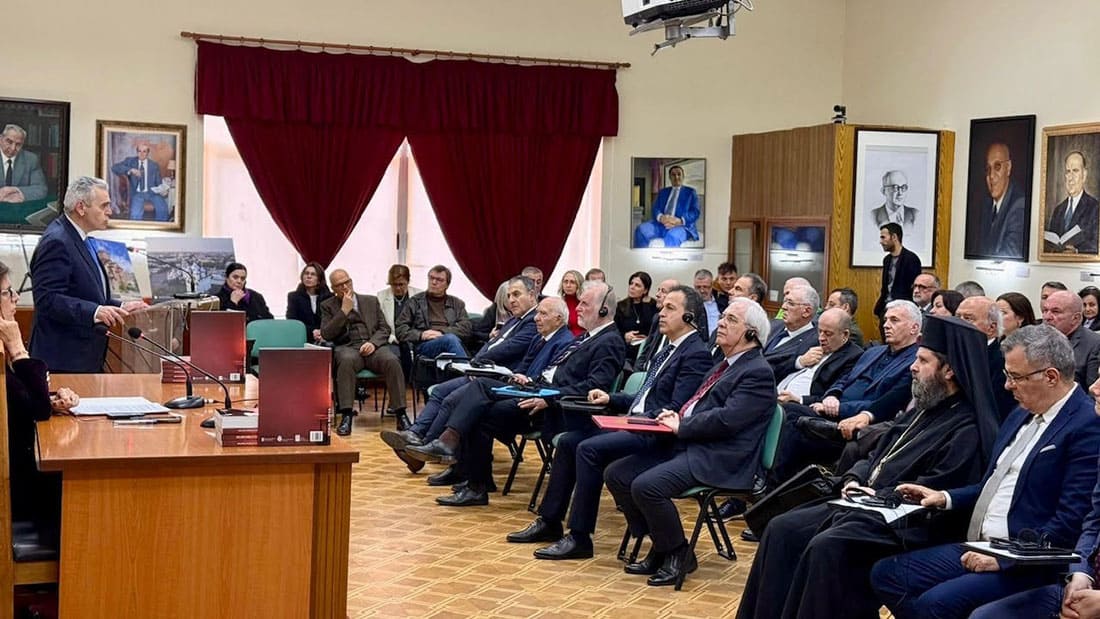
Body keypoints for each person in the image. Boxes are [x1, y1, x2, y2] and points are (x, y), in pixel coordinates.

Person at [737, 316, 1000, 619]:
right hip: (868, 503)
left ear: (950, 370)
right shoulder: (922, 411)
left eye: (923, 360)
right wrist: (854, 478)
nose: (913, 367)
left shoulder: (967, 428)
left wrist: (877, 494)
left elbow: (930, 491)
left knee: (828, 546)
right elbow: (874, 455)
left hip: (909, 522)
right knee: (781, 528)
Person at [871, 325, 1100, 619]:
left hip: (1028, 559)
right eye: (1007, 375)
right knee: (888, 574)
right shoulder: (1021, 412)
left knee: (935, 603)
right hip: (981, 542)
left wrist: (1006, 560)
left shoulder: (1085, 424)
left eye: (1015, 377)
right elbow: (995, 483)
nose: (1007, 386)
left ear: (1051, 377)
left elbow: (1072, 519)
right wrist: (945, 497)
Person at [508, 286, 714, 560]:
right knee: (570, 441)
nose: (660, 312)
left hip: (655, 433)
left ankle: (581, 537)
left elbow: (675, 408)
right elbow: (646, 396)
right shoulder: (671, 347)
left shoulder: (695, 353)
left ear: (689, 317)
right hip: (636, 421)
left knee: (588, 449)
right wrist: (612, 398)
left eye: (669, 309)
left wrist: (632, 419)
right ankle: (550, 521)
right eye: (662, 307)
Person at [604, 297, 776, 587]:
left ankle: (677, 552)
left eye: (731, 320)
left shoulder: (757, 372)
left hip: (721, 457)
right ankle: (661, 543)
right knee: (617, 474)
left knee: (647, 487)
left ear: (751, 334)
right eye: (723, 317)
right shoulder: (724, 363)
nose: (720, 323)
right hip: (692, 444)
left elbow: (727, 420)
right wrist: (678, 413)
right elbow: (700, 404)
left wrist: (682, 424)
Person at [410, 281, 626, 506]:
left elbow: (592, 389)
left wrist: (548, 397)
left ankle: (463, 464)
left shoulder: (609, 341)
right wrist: (530, 381)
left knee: (478, 406)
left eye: (584, 303)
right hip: (537, 390)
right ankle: (466, 470)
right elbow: (555, 372)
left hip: (553, 408)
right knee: (479, 393)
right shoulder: (587, 336)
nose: (578, 308)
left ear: (603, 309)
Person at [379, 276, 540, 471]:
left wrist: (477, 364)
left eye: (516, 294)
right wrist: (475, 364)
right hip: (483, 372)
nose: (511, 300)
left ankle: (420, 449)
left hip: (499, 378)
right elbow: (491, 345)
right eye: (509, 296)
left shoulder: (533, 321)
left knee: (452, 399)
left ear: (532, 295)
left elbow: (509, 349)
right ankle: (415, 435)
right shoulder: (515, 320)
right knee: (439, 391)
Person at [772, 300, 920, 482]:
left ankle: (772, 486)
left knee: (791, 416)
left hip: (854, 423)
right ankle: (771, 484)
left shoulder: (915, 362)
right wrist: (833, 394)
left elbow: (885, 402)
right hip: (831, 412)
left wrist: (840, 407)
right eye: (886, 319)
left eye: (894, 320)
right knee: (785, 411)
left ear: (914, 328)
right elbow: (844, 378)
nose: (886, 325)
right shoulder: (874, 351)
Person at [29, 176, 145, 373]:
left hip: (84, 358)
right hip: (63, 361)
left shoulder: (82, 239)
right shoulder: (57, 241)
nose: (110, 211)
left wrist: (120, 307)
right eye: (104, 206)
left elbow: (87, 294)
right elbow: (47, 299)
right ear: (81, 207)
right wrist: (94, 312)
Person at [1, 260, 79, 546]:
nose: (15, 298)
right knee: (78, 483)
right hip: (14, 488)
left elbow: (22, 400)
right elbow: (35, 411)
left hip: (15, 471)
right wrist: (19, 349)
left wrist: (51, 398)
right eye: (8, 292)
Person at [321, 269, 407, 436]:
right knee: (345, 362)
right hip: (349, 348)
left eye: (347, 282)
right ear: (333, 289)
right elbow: (326, 334)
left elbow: (385, 329)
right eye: (339, 285)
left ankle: (401, 414)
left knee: (392, 360)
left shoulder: (370, 301)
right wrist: (344, 311)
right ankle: (346, 415)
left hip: (372, 346)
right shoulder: (328, 306)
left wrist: (373, 343)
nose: (345, 287)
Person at [955, 296, 1016, 421]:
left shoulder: (1003, 361)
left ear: (991, 328)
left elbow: (994, 409)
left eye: (968, 318)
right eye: (957, 317)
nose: (958, 323)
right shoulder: (950, 353)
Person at [395, 265, 471, 359]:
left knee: (450, 339)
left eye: (439, 280)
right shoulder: (415, 302)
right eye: (431, 278)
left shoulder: (457, 304)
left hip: (450, 340)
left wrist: (442, 333)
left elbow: (466, 328)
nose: (434, 282)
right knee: (450, 340)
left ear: (447, 285)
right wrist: (421, 335)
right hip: (425, 345)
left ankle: (462, 372)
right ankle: (467, 372)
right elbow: (400, 329)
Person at [973, 143, 1026, 258]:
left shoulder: (1019, 205)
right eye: (988, 169)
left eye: (997, 166)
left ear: (1008, 168)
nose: (991, 175)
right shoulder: (986, 205)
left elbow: (1010, 254)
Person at [1042, 290, 1100, 389]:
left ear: (1076, 318)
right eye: (1045, 310)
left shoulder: (1094, 344)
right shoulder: (1036, 338)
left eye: (1055, 311)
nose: (1047, 317)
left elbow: (1093, 393)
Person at [633, 165, 701, 248]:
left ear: (683, 176)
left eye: (679, 174)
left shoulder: (690, 192)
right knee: (641, 230)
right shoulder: (663, 192)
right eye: (673, 175)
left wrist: (680, 220)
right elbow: (655, 208)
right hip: (661, 224)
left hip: (680, 226)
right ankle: (641, 258)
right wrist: (661, 217)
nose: (676, 177)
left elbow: (695, 212)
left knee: (672, 237)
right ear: (670, 177)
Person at [873, 223, 922, 339]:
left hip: (903, 309)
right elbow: (885, 287)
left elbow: (913, 288)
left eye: (883, 237)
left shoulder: (911, 259)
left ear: (894, 237)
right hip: (885, 309)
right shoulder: (887, 260)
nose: (881, 241)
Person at [1045, 151, 1099, 255]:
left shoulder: (1095, 207)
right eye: (1068, 172)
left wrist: (1077, 251)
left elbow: (1096, 243)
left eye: (1075, 171)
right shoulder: (1058, 210)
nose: (1070, 177)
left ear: (1084, 175)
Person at [762, 285, 819, 378]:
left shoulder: (814, 341)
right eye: (785, 301)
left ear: (807, 311)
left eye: (791, 303)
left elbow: (769, 369)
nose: (783, 307)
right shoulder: (773, 325)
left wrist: (797, 363)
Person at [109, 142, 170, 220]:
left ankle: (161, 230)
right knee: (135, 213)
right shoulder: (130, 161)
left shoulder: (154, 165)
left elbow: (159, 183)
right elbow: (114, 168)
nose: (141, 154)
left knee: (163, 209)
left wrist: (163, 189)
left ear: (148, 153)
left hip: (152, 193)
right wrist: (130, 170)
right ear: (137, 152)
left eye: (144, 151)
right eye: (139, 151)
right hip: (137, 194)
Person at [614, 271, 658, 361]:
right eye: (631, 284)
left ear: (645, 290)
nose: (632, 287)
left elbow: (652, 327)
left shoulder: (654, 306)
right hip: (626, 351)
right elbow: (614, 330)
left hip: (646, 351)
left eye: (637, 285)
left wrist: (646, 305)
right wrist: (624, 336)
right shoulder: (620, 306)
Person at [285, 262, 332, 344]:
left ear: (319, 279)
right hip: (303, 337)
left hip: (325, 337)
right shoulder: (294, 297)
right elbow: (292, 321)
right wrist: (312, 331)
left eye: (313, 274)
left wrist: (322, 332)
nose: (309, 276)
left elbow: (332, 320)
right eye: (306, 273)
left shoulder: (329, 297)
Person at [0, 124, 47, 203]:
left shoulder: (31, 159)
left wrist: (17, 190)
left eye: (18, 144)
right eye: (9, 142)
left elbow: (41, 189)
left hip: (20, 210)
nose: (13, 148)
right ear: (1, 139)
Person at [376, 264, 422, 345]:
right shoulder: (381, 296)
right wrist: (391, 338)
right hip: (391, 340)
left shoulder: (419, 295)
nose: (397, 288)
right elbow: (379, 325)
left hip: (415, 339)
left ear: (408, 282)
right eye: (394, 284)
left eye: (401, 284)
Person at [557, 270, 584, 336]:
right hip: (561, 341)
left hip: (580, 341)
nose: (568, 285)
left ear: (579, 285)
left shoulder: (584, 304)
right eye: (565, 282)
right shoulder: (557, 304)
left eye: (572, 282)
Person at [694, 269, 721, 336]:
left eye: (705, 287)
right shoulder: (690, 305)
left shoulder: (722, 303)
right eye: (698, 287)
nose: (702, 290)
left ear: (712, 286)